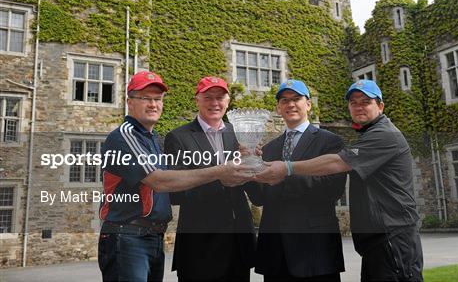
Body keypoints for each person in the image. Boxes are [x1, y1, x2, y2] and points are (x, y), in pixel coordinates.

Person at [256, 79, 424, 282]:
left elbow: (336, 169)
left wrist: (286, 169)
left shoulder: (381, 135)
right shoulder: (367, 136)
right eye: (353, 102)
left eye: (365, 101)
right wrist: (250, 170)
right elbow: (260, 194)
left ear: (380, 106)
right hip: (374, 241)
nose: (358, 106)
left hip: (389, 237)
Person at [98, 71, 251, 282]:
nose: (153, 104)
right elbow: (160, 182)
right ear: (129, 102)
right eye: (145, 98)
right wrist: (221, 170)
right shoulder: (125, 136)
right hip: (128, 235)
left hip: (153, 236)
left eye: (158, 99)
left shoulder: (153, 140)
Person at [165, 76, 262, 282]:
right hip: (200, 246)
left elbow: (257, 195)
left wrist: (255, 165)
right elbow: (175, 193)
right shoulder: (179, 137)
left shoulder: (239, 134)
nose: (215, 103)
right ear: (197, 100)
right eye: (208, 97)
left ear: (228, 101)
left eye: (220, 97)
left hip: (237, 244)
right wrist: (221, 175)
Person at [254, 80, 346, 282]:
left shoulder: (330, 141)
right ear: (278, 108)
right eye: (284, 100)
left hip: (315, 250)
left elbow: (333, 189)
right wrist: (247, 172)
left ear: (309, 104)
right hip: (276, 252)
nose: (290, 104)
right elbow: (260, 198)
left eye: (296, 99)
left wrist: (285, 173)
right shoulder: (268, 149)